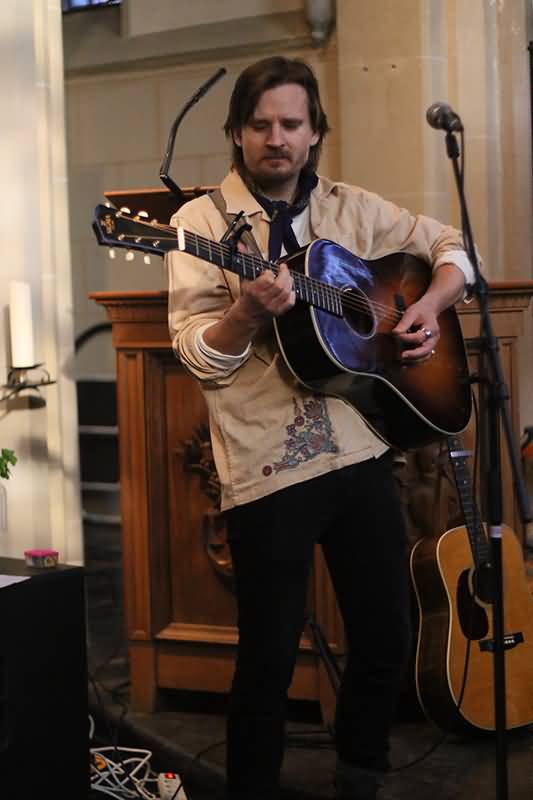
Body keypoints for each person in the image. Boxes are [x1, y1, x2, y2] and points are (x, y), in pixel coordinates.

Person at [166, 56, 474, 800]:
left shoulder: (352, 208)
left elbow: (452, 248)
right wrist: (245, 313)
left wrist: (427, 307)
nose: (276, 138)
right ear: (236, 133)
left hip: (361, 447)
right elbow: (196, 354)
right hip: (266, 464)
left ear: (313, 133)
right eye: (260, 124)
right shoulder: (197, 224)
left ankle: (360, 773)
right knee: (267, 658)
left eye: (291, 124)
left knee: (386, 633)